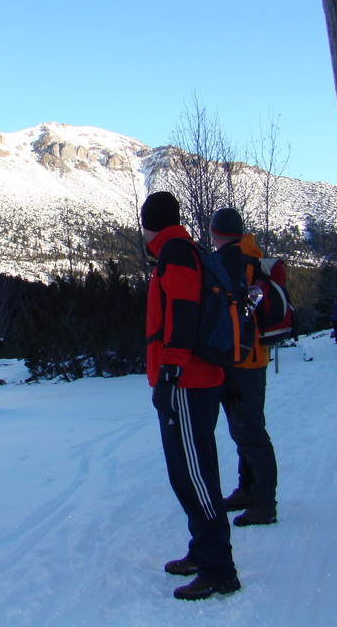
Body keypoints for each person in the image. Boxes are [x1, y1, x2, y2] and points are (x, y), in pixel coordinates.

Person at [140, 191, 240, 601]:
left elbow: (182, 311)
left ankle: (219, 569)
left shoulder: (176, 253)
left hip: (186, 380)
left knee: (193, 475)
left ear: (151, 224)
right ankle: (203, 552)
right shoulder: (183, 249)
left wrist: (170, 369)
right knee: (194, 470)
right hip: (193, 378)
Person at [208, 208, 279, 527]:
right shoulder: (251, 256)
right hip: (254, 357)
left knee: (250, 431)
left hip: (242, 359)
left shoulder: (233, 261)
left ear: (216, 233)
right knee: (245, 428)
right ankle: (247, 490)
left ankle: (264, 502)